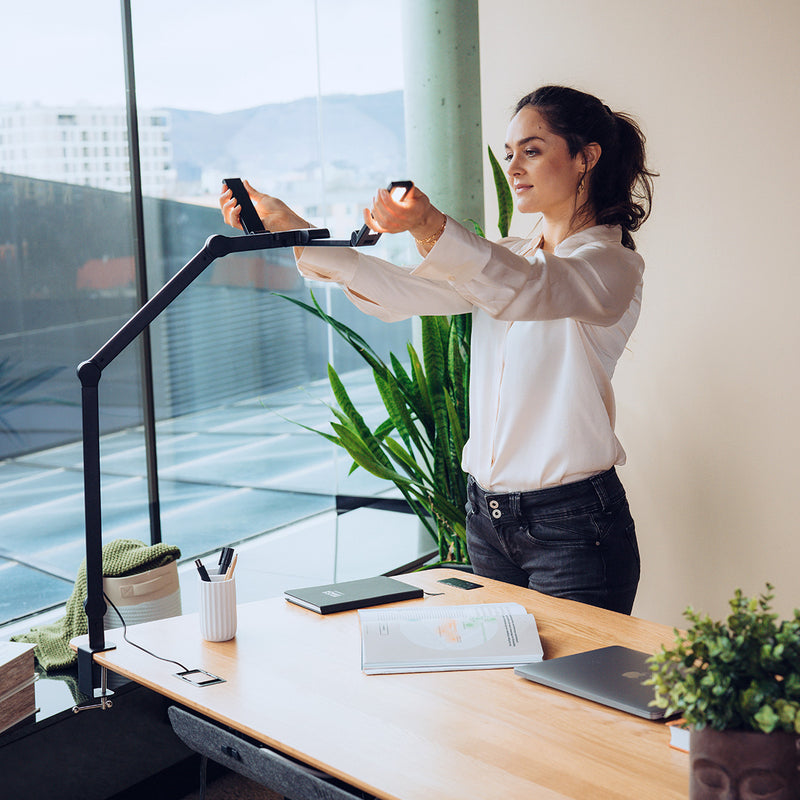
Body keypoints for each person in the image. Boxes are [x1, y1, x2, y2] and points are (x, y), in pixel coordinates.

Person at [220, 85, 656, 615]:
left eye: (533, 149)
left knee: (568, 694)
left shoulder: (610, 263)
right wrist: (293, 229)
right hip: (487, 521)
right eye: (509, 153)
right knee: (494, 690)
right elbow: (405, 291)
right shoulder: (511, 255)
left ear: (586, 156)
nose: (514, 165)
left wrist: (430, 226)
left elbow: (531, 288)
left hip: (573, 528)